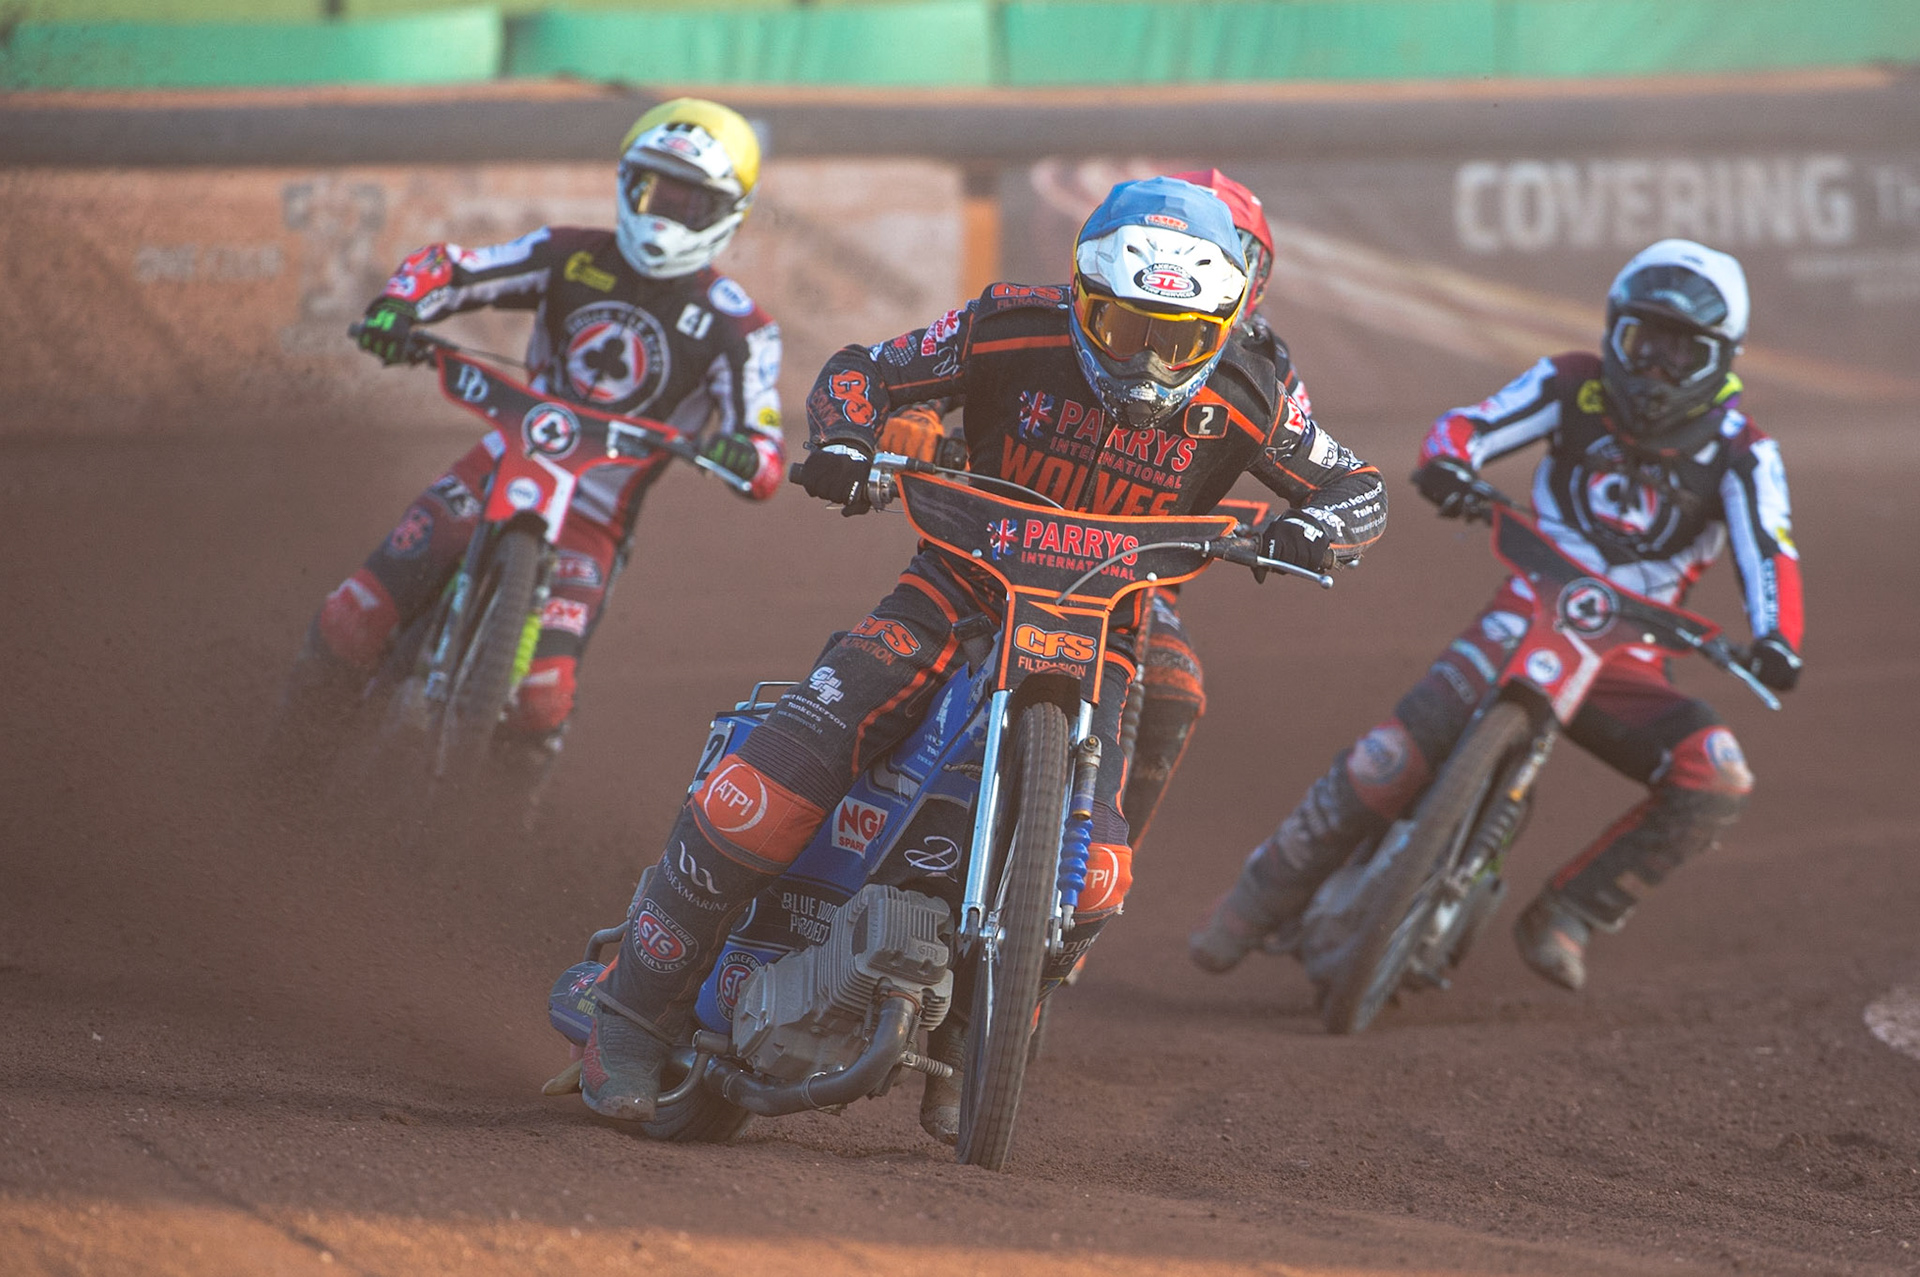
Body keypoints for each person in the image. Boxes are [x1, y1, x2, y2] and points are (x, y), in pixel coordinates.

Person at [579, 175, 1387, 1134]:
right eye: (1125, 328)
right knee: (762, 790)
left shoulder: (1255, 389)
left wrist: (1319, 531)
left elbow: (1359, 486)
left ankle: (986, 1031)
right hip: (951, 589)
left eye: (1180, 338)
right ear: (1082, 297)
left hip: (1107, 629)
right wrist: (843, 440)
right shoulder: (1011, 323)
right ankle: (627, 1016)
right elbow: (860, 369)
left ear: (1224, 324)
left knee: (1093, 876)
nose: (1149, 361)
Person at [1190, 238, 1803, 992]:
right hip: (1524, 612)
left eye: (1681, 355)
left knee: (1717, 775)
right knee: (1386, 760)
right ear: (1614, 331)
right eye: (1643, 344)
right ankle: (1252, 903)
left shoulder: (1744, 450)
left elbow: (1768, 550)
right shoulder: (1573, 382)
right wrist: (1449, 463)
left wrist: (1778, 637)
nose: (1654, 370)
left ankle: (1572, 912)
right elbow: (1468, 424)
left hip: (1627, 659)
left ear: (1721, 359)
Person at [272, 98, 786, 792]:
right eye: (655, 189)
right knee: (353, 614)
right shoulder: (569, 255)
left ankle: (492, 841)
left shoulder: (741, 328)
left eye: (690, 201)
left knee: (541, 696)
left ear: (728, 211)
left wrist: (743, 454)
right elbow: (451, 267)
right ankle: (279, 772)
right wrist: (400, 307)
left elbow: (765, 448)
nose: (665, 213)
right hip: (498, 465)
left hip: (592, 517)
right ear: (627, 181)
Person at [875, 168, 1315, 847]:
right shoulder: (1057, 315)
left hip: (1128, 552)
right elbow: (954, 369)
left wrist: (1285, 527)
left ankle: (1087, 865)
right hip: (1001, 512)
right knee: (906, 651)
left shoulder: (1267, 369)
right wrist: (924, 421)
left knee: (1174, 687)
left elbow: (1299, 467)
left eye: (1247, 254)